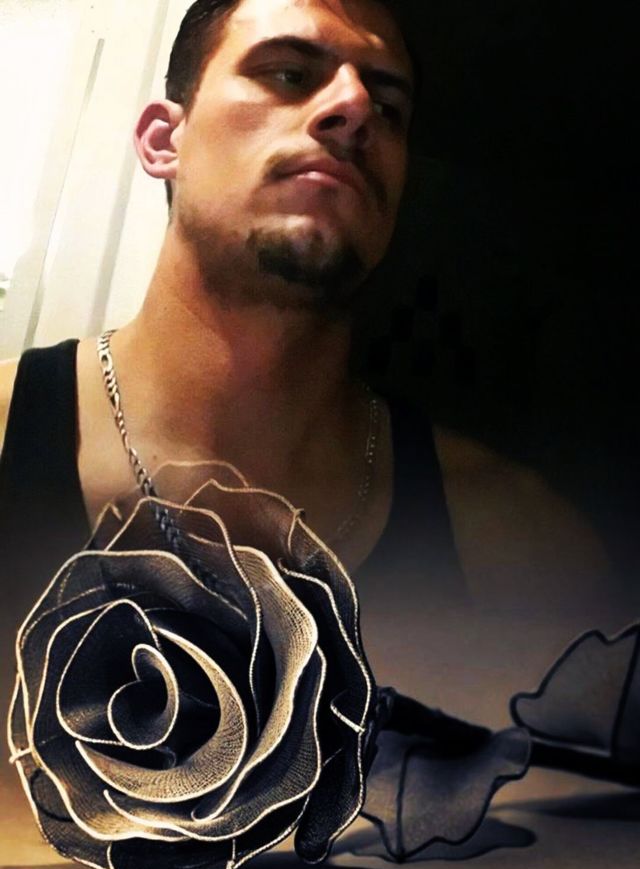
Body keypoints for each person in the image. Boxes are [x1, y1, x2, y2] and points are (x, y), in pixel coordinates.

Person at [0, 0, 618, 662]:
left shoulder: (523, 547)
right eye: (290, 74)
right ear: (163, 141)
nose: (355, 106)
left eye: (389, 108)